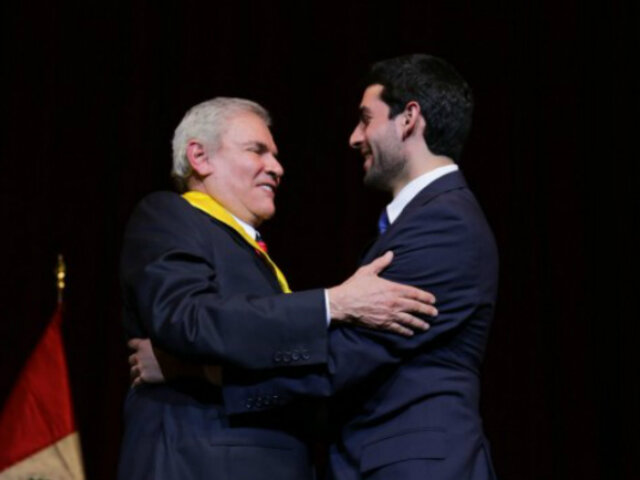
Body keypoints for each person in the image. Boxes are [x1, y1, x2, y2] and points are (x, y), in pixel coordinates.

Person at [134, 53, 499, 479]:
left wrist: (196, 371)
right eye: (256, 150)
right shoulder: (174, 217)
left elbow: (345, 356)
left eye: (365, 119)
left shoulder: (443, 222)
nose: (354, 137)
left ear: (408, 119)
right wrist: (333, 304)